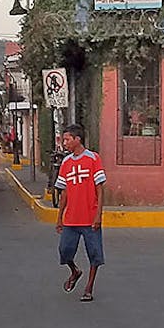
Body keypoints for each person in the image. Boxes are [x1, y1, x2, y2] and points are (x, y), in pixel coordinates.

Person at [54, 123, 106, 303]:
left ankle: (89, 287)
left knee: (94, 253)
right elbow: (64, 192)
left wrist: (98, 215)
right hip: (71, 218)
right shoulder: (66, 163)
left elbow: (100, 189)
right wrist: (59, 217)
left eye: (68, 139)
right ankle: (74, 271)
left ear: (78, 139)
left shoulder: (93, 159)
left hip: (89, 217)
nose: (65, 143)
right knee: (65, 250)